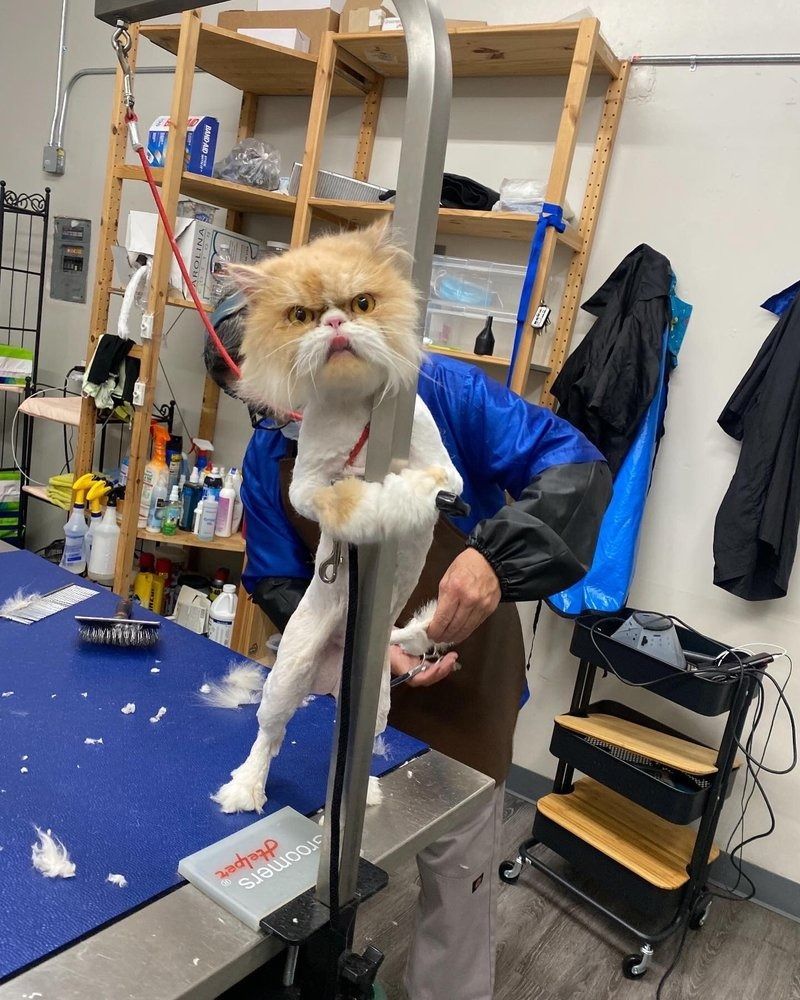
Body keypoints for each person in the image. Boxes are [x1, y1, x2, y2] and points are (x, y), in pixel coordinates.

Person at [231, 339, 611, 999]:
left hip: (468, 675)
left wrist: (498, 556)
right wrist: (364, 644)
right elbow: (276, 576)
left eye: (295, 396)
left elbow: (576, 466)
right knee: (320, 858)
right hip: (353, 675)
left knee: (457, 878)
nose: (288, 418)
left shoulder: (443, 391)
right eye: (268, 411)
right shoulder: (270, 451)